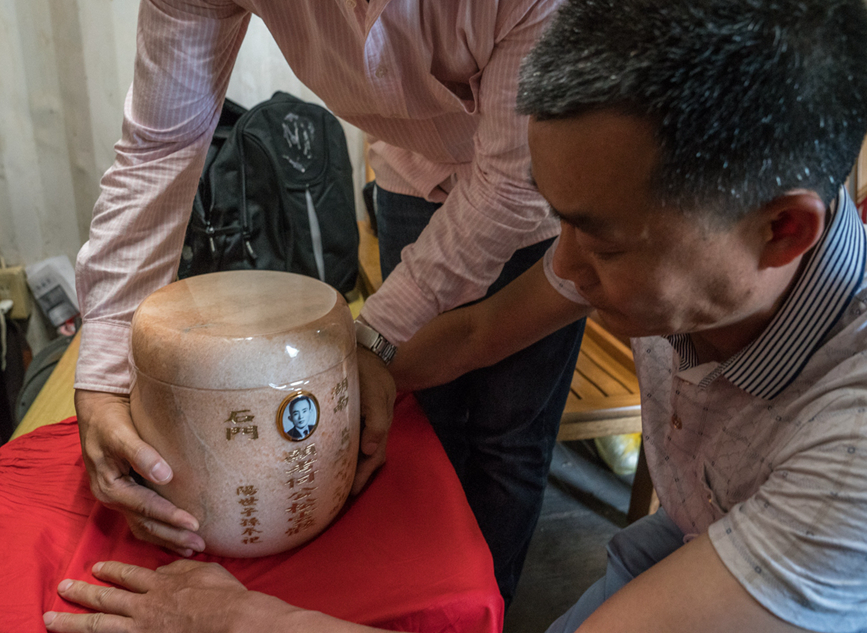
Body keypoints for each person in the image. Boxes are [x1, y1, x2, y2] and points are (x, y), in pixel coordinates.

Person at [45, 0, 867, 631]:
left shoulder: (864, 446)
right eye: (559, 220)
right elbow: (478, 333)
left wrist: (237, 619)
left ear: (782, 228)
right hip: (677, 537)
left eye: (594, 239)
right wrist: (351, 371)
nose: (567, 266)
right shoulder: (675, 257)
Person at [72, 0, 581, 601]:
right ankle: (424, 594)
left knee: (508, 435)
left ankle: (484, 603)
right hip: (413, 170)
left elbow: (509, 190)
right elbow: (161, 146)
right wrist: (103, 372)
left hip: (542, 178)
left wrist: (375, 336)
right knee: (422, 425)